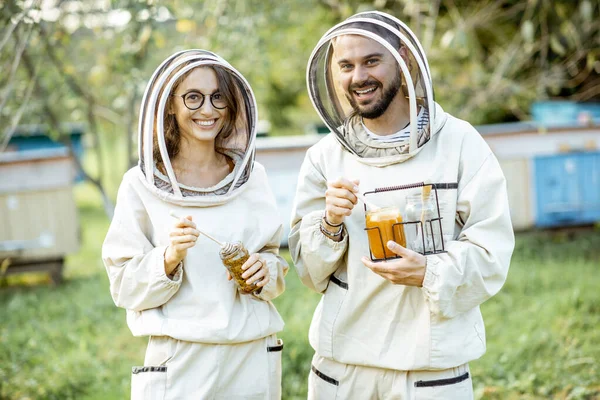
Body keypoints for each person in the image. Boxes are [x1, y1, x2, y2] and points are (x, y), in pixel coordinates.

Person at [290, 11, 514, 399]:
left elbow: (492, 252)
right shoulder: (324, 157)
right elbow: (309, 275)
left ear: (404, 60)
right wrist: (329, 223)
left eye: (371, 61)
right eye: (346, 65)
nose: (358, 76)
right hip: (344, 370)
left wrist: (429, 270)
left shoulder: (460, 143)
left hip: (430, 371)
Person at [102, 49, 288, 399]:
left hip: (251, 357)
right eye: (193, 97)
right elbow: (123, 286)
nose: (208, 110)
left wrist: (264, 270)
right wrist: (169, 258)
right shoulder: (139, 185)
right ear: (169, 105)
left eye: (218, 97)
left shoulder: (253, 178)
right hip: (179, 362)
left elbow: (274, 264)